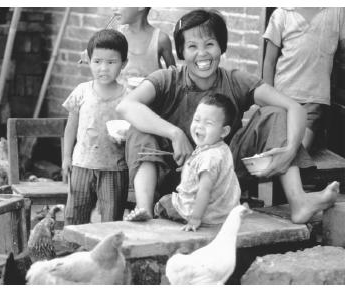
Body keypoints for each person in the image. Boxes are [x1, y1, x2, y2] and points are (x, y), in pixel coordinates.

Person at [116, 9, 339, 225]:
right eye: (192, 46)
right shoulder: (167, 79)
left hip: (223, 175)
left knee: (276, 113)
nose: (202, 54)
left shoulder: (234, 80)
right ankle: (144, 209)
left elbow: (294, 108)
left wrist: (289, 151)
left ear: (221, 47)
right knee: (139, 129)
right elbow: (126, 106)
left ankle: (298, 201)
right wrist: (174, 133)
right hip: (175, 176)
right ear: (182, 51)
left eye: (209, 44)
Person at [62, 29, 129, 225]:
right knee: (75, 217)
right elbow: (70, 127)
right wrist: (66, 157)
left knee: (111, 219)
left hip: (115, 168)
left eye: (111, 62)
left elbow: (133, 129)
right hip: (82, 164)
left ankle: (106, 254)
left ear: (123, 64)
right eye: (97, 61)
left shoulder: (129, 96)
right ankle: (73, 253)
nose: (103, 68)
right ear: (89, 61)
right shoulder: (82, 91)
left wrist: (126, 136)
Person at [154, 93, 241, 232]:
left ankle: (156, 226)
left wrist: (195, 219)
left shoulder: (209, 157)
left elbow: (204, 191)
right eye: (197, 120)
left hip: (203, 214)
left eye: (208, 123)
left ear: (224, 131)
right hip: (224, 213)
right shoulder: (222, 149)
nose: (199, 127)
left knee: (164, 202)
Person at [262, 7, 345, 151]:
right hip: (282, 99)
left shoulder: (337, 11)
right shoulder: (282, 13)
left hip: (313, 101)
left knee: (297, 150)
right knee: (276, 147)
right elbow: (269, 62)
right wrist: (268, 103)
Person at [111, 7, 176, 85]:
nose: (113, 8)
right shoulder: (116, 36)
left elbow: (174, 78)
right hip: (121, 96)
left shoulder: (160, 39)